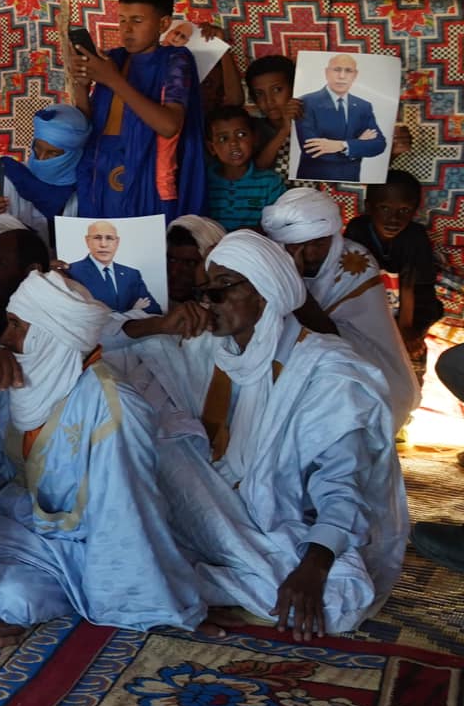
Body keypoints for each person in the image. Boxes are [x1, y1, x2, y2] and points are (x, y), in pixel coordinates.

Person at [129, 232, 407, 638]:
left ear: (263, 291)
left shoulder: (326, 371)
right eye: (205, 293)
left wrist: (313, 567)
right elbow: (113, 345)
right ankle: (184, 579)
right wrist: (160, 323)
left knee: (340, 599)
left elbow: (342, 485)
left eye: (221, 291)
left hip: (285, 522)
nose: (208, 304)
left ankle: (176, 581)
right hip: (211, 512)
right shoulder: (208, 348)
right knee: (151, 436)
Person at [0, 273, 205, 634]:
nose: (5, 338)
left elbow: (124, 513)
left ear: (51, 335)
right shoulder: (17, 378)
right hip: (15, 527)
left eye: (16, 326)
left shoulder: (113, 408)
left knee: (11, 598)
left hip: (86, 547)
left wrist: (131, 602)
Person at [259, 189, 419, 431]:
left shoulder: (356, 262)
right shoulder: (269, 261)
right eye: (298, 245)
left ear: (334, 237)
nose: (310, 254)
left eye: (319, 243)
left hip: (353, 370)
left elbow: (333, 340)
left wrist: (292, 283)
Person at [69, 0, 205, 221]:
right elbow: (88, 123)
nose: (126, 29)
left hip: (146, 169)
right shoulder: (113, 59)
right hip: (98, 167)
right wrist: (81, 86)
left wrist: (113, 79)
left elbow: (169, 125)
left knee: (142, 248)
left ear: (163, 24)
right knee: (99, 247)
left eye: (137, 21)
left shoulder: (175, 59)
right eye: (122, 19)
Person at [345, 171, 440, 377]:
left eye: (404, 210)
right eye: (385, 208)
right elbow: (353, 278)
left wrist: (405, 329)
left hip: (410, 306)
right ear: (369, 207)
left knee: (408, 356)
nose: (394, 219)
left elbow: (410, 284)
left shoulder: (415, 236)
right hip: (368, 300)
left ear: (415, 210)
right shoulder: (357, 230)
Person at [0, 104, 87, 233]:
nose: (41, 159)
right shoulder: (9, 177)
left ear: (73, 154)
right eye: (37, 149)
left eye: (53, 154)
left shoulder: (88, 189)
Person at [295, 54, 387, 183]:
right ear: (327, 73)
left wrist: (342, 145)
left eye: (348, 71)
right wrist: (357, 146)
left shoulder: (363, 106)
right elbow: (311, 149)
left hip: (351, 181)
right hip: (313, 181)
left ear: (355, 75)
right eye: (337, 69)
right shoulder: (305, 102)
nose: (342, 76)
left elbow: (379, 144)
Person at [202, 103, 286, 230]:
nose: (233, 143)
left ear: (255, 139)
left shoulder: (271, 183)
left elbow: (279, 227)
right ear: (211, 148)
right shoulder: (203, 182)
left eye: (241, 135)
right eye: (224, 138)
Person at [66, 220, 161, 317]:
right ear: (87, 241)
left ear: (117, 242)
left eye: (109, 238)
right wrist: (132, 312)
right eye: (97, 238)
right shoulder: (72, 272)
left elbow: (154, 310)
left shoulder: (131, 274)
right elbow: (79, 316)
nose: (103, 244)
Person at [244, 53, 299, 169]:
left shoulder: (313, 123)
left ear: (295, 87)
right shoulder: (254, 129)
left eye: (277, 90)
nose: (269, 101)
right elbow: (257, 169)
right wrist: (284, 130)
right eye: (259, 94)